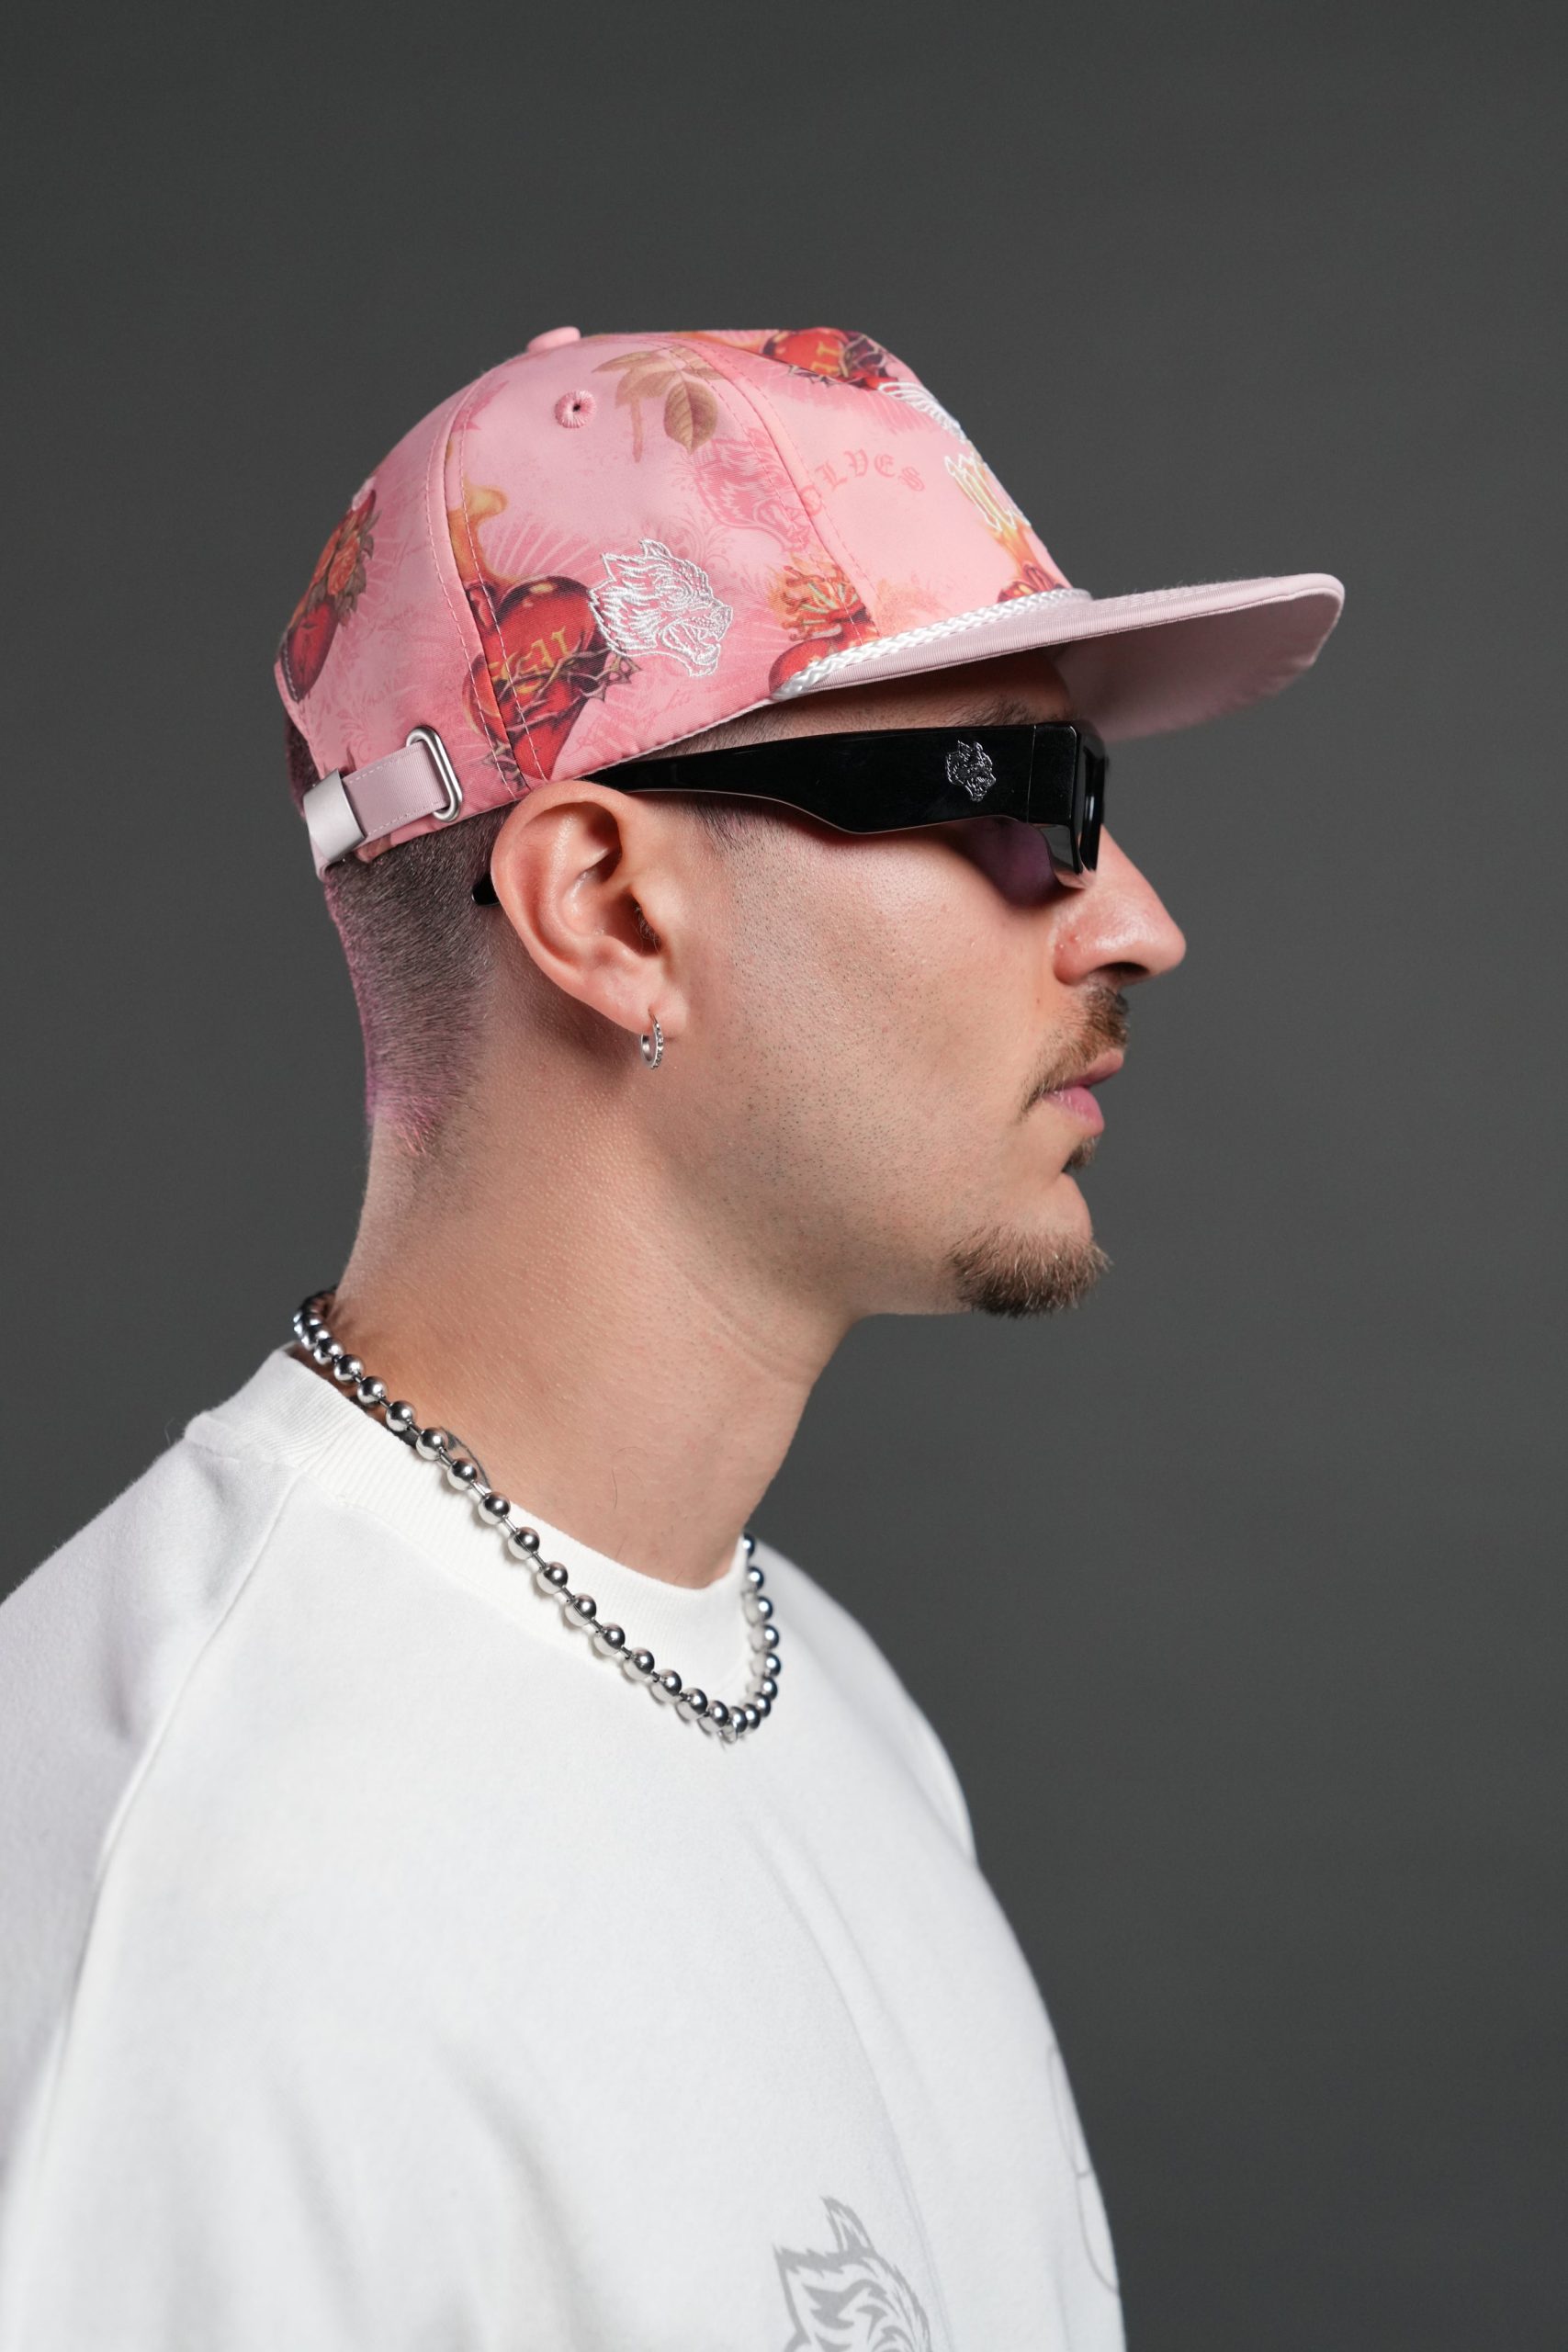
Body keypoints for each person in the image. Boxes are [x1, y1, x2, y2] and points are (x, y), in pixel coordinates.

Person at [0, 322, 1341, 2349]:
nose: (1134, 916)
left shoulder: (824, 1692)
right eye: (1014, 793)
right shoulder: (203, 1898)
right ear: (610, 912)